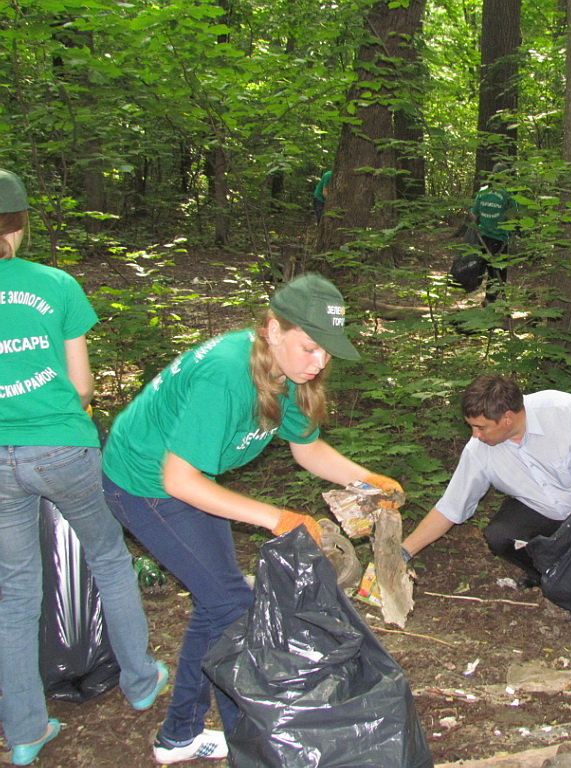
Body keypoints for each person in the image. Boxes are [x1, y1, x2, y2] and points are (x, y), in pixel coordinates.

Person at [101, 273, 402, 764]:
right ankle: (247, 743)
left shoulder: (291, 374)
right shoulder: (227, 374)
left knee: (218, 602)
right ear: (273, 330)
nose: (319, 362)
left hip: (193, 481)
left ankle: (179, 736)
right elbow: (178, 481)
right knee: (231, 606)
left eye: (326, 351)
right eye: (309, 348)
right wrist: (278, 517)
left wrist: (367, 480)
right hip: (145, 484)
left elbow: (308, 450)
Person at [0, 169, 167, 766]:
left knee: (15, 593)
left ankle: (23, 732)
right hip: (64, 448)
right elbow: (82, 386)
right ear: (19, 225)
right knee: (108, 556)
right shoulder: (56, 286)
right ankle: (142, 682)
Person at [401, 374, 571, 589]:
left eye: (481, 427)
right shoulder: (477, 452)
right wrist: (403, 552)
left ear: (508, 418)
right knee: (500, 535)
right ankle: (549, 575)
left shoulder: (565, 410)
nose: (475, 435)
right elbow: (450, 508)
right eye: (471, 427)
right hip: (543, 512)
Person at [469, 163, 517, 304]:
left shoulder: (482, 192)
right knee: (498, 273)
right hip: (499, 239)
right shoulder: (508, 195)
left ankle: (488, 300)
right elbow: (512, 218)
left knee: (487, 269)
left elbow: (473, 215)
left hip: (483, 238)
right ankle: (490, 302)